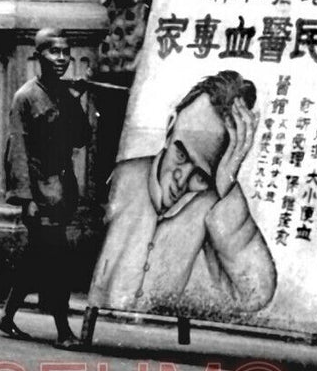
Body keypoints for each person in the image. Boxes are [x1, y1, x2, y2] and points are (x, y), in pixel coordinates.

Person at [81, 70, 277, 341]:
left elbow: (256, 293)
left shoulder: (214, 206)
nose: (181, 180)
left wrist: (227, 185)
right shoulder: (123, 177)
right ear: (171, 124)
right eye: (181, 154)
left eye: (201, 175)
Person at [0, 28, 89, 349]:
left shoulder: (65, 94)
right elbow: (17, 150)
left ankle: (7, 316)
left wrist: (76, 102)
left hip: (62, 188)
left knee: (36, 257)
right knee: (56, 259)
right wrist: (26, 199)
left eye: (66, 52)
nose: (62, 59)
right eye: (54, 52)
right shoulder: (25, 97)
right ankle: (63, 331)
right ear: (39, 57)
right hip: (39, 191)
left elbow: (80, 139)